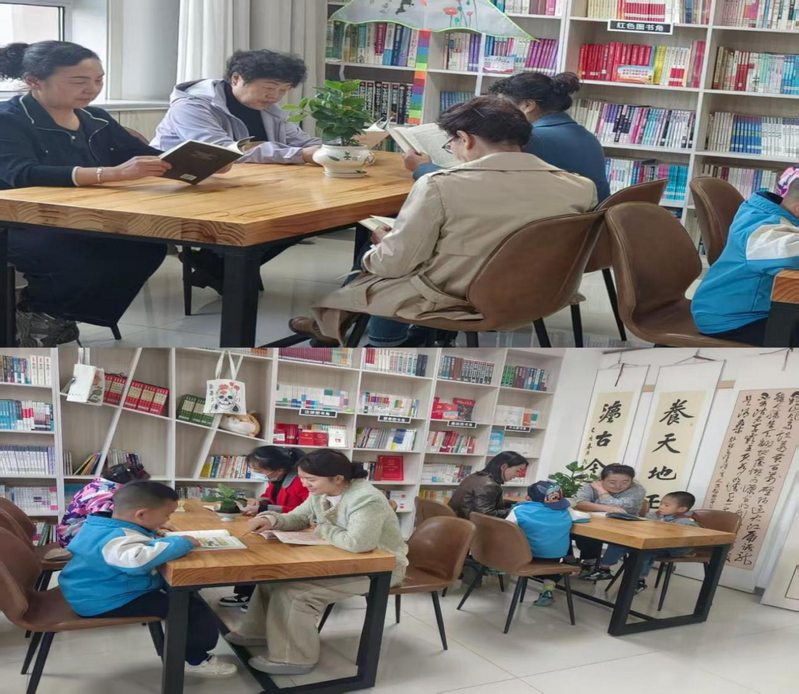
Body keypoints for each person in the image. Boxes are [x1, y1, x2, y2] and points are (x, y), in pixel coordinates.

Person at [289, 96, 597, 347]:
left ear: (465, 138)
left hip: (457, 298)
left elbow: (394, 265)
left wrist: (381, 245)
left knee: (380, 259)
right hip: (539, 295)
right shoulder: (580, 186)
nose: (454, 152)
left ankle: (374, 340)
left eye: (451, 144)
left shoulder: (441, 184)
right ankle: (339, 329)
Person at [0, 41, 174, 346]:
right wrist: (111, 173)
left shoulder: (96, 118)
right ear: (34, 81)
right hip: (20, 221)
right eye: (78, 81)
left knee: (146, 246)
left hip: (82, 216)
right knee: (73, 256)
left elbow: (144, 155)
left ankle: (49, 316)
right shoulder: (9, 119)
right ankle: (41, 314)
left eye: (98, 80)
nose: (91, 89)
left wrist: (200, 160)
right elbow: (22, 173)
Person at [152, 49, 323, 294]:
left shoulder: (268, 108)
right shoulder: (191, 106)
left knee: (306, 216)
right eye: (269, 88)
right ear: (236, 79)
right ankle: (219, 264)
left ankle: (215, 264)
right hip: (185, 185)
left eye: (283, 90)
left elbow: (300, 140)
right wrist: (300, 155)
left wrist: (333, 149)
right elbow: (221, 151)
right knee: (285, 216)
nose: (274, 96)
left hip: (241, 186)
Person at [225, 449, 408, 676]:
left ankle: (294, 659)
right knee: (272, 581)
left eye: (310, 479)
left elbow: (358, 543)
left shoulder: (365, 498)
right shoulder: (321, 492)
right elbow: (300, 517)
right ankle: (256, 632)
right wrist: (270, 519)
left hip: (380, 568)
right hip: (342, 560)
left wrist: (322, 528)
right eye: (302, 478)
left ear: (338, 478)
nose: (304, 484)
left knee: (295, 594)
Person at [59, 481, 237, 677]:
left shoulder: (100, 525)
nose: (168, 519)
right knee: (191, 610)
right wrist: (182, 543)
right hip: (105, 600)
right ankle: (194, 658)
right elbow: (137, 561)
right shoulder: (116, 539)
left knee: (183, 594)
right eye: (166, 515)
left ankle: (182, 646)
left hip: (94, 590)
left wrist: (155, 534)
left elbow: (132, 544)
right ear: (141, 515)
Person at [404, 72, 610, 202]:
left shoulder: (530, 139)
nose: (497, 112)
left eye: (503, 105)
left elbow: (476, 185)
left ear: (527, 105)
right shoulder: (587, 136)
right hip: (584, 233)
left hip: (545, 234)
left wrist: (423, 167)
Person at [691, 169, 799, 346]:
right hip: (733, 319)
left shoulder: (766, 210)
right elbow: (791, 253)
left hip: (755, 308)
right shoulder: (763, 233)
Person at [218, 446, 309, 610]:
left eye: (259, 470)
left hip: (295, 530)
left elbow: (304, 512)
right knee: (249, 549)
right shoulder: (276, 479)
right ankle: (246, 594)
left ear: (279, 470)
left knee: (259, 555)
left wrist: (264, 509)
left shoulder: (301, 482)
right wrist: (259, 502)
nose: (257, 473)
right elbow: (268, 496)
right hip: (275, 526)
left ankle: (257, 599)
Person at [581, 491, 701, 594]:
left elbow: (684, 540)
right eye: (661, 503)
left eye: (666, 505)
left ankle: (639, 581)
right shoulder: (655, 515)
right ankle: (604, 569)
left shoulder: (686, 522)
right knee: (618, 543)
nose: (661, 507)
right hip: (650, 542)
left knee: (645, 552)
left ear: (681, 509)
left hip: (672, 548)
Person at [506, 480, 577, 607]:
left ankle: (497, 568)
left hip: (526, 556)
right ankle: (548, 590)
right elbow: (582, 517)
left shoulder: (519, 510)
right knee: (553, 553)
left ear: (528, 498)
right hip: (554, 557)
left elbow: (506, 528)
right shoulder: (565, 510)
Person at [572, 464, 646, 575]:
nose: (618, 486)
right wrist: (608, 508)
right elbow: (581, 503)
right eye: (612, 482)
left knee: (595, 535)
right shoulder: (590, 486)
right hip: (593, 523)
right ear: (601, 479)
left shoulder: (637, 489)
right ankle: (578, 561)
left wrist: (601, 490)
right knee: (573, 531)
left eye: (625, 482)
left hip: (624, 527)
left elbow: (622, 506)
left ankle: (594, 564)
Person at [56, 461, 150, 548]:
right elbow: (106, 524)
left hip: (73, 534)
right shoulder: (104, 496)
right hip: (76, 540)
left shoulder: (96, 486)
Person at [448, 451, 529, 520]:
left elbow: (488, 502)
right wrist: (516, 512)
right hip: (472, 526)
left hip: (459, 520)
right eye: (517, 471)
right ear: (504, 467)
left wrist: (515, 503)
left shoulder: (475, 476)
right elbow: (486, 515)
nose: (518, 475)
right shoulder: (489, 485)